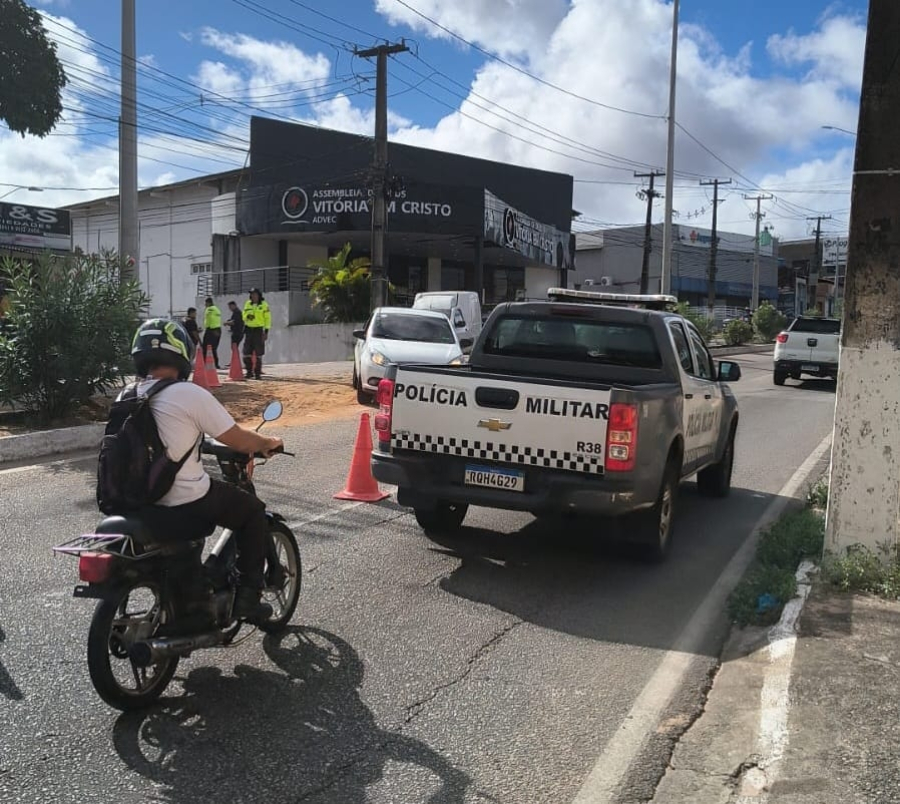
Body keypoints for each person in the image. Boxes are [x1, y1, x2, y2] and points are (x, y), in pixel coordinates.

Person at [126, 317, 283, 623]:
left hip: (138, 500)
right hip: (184, 501)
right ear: (182, 353)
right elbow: (235, 438)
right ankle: (249, 599)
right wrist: (268, 441)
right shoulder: (188, 394)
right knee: (252, 512)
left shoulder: (128, 396)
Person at [242, 288, 271, 380]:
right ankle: (249, 372)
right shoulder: (247, 304)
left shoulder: (264, 305)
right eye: (252, 294)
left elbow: (268, 319)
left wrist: (266, 332)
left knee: (258, 353)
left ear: (259, 295)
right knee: (246, 352)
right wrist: (247, 316)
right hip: (248, 330)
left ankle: (257, 374)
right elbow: (243, 315)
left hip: (258, 330)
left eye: (255, 294)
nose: (253, 296)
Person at [202, 297, 223, 369]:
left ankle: (205, 364)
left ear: (209, 303)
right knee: (213, 348)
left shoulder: (209, 309)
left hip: (211, 330)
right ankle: (216, 364)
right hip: (218, 329)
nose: (205, 305)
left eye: (206, 303)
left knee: (205, 347)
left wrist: (207, 327)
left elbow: (209, 319)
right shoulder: (217, 309)